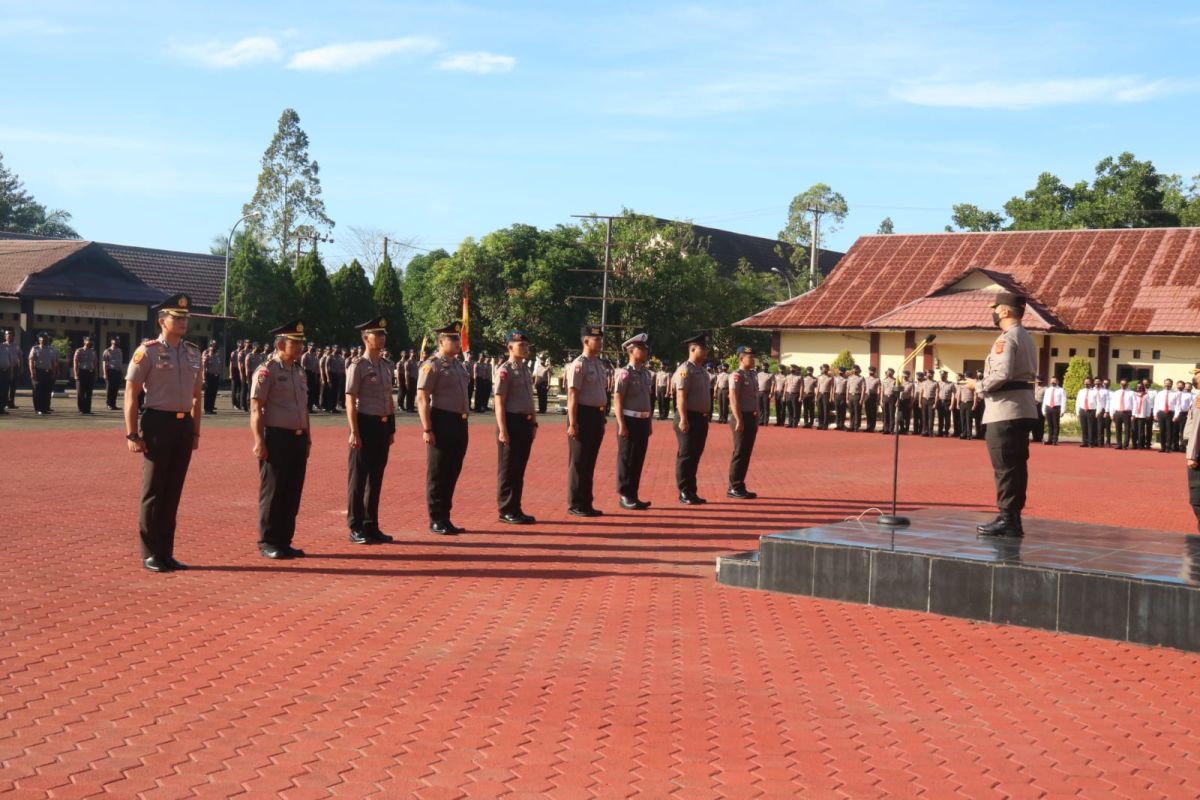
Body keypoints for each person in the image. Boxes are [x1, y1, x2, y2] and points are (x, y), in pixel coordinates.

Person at [124, 294, 203, 572]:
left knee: (173, 491)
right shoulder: (148, 351)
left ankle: (166, 552)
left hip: (183, 426)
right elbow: (131, 395)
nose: (182, 322)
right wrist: (132, 434)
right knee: (154, 490)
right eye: (177, 317)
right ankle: (150, 552)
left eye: (185, 318)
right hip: (157, 423)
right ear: (162, 321)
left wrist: (195, 431)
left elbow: (197, 396)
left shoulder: (193, 353)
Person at [967, 292, 1038, 538]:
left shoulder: (1006, 339)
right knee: (1016, 467)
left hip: (1005, 410)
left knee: (1005, 467)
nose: (993, 312)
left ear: (1005, 311)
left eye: (995, 308)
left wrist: (977, 386)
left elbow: (1000, 374)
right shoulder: (1026, 336)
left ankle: (1008, 518)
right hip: (1022, 408)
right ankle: (1012, 518)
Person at [250, 321, 311, 559]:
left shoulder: (299, 371)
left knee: (292, 491)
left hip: (297, 438)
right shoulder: (267, 371)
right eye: (294, 343)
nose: (299, 347)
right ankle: (268, 540)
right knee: (273, 491)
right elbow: (256, 408)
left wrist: (308, 438)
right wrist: (258, 441)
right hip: (276, 437)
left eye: (300, 343)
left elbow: (304, 409)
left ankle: (284, 540)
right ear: (280, 344)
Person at [344, 317, 397, 544]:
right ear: (366, 338)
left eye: (383, 334)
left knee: (376, 477)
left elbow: (389, 398)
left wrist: (391, 427)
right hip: (364, 424)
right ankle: (355, 525)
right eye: (378, 334)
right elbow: (350, 400)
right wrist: (354, 431)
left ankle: (371, 523)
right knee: (359, 478)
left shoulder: (386, 365)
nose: (382, 338)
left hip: (382, 426)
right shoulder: (357, 366)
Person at [418, 323, 472, 534]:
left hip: (460, 422)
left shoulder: (459, 365)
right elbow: (422, 397)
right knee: (438, 472)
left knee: (452, 470)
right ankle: (436, 518)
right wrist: (427, 428)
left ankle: (446, 516)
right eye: (453, 339)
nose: (458, 343)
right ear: (441, 342)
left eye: (458, 338)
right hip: (441, 421)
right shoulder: (432, 365)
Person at [495, 331, 539, 524]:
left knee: (519, 468)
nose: (525, 348)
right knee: (508, 468)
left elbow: (530, 398)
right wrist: (503, 429)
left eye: (526, 345)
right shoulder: (505, 370)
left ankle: (516, 507)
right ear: (510, 347)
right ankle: (506, 509)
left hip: (525, 423)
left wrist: (534, 422)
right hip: (511, 422)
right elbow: (499, 402)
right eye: (521, 345)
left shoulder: (525, 370)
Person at [566, 325, 608, 516]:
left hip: (596, 416)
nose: (600, 343)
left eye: (600, 339)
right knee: (579, 462)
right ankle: (576, 503)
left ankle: (587, 502)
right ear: (585, 341)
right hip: (582, 416)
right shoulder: (579, 365)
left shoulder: (598, 364)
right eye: (596, 339)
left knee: (590, 461)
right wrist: (573, 422)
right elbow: (573, 395)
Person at [614, 333, 654, 510]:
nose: (645, 352)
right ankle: (624, 494)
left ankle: (634, 494)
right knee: (627, 458)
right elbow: (618, 399)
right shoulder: (624, 373)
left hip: (643, 420)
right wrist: (621, 424)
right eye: (641, 349)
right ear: (631, 351)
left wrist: (650, 421)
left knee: (638, 459)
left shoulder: (646, 374)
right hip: (629, 420)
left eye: (645, 349)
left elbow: (647, 399)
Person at [675, 333, 712, 505]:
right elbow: (681, 396)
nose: (706, 352)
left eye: (706, 349)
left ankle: (691, 491)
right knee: (686, 455)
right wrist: (683, 418)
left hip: (701, 418)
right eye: (703, 349)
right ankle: (684, 491)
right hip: (688, 417)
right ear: (692, 349)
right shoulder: (685, 370)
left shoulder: (702, 371)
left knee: (695, 455)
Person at [727, 345, 760, 499]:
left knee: (746, 453)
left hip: (751, 417)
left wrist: (757, 416)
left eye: (753, 356)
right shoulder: (736, 375)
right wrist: (739, 419)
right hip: (741, 417)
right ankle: (734, 486)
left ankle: (740, 484)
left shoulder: (753, 375)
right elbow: (733, 398)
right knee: (740, 452)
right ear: (741, 359)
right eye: (750, 357)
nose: (753, 359)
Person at [1184, 367, 1200, 531]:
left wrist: (1192, 454)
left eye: (1197, 374)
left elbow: (1197, 428)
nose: (1195, 378)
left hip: (1198, 455)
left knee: (1197, 499)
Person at [28, 331, 58, 415]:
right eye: (42, 338)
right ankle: (38, 409)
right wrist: (32, 372)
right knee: (38, 391)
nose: (44, 339)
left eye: (46, 338)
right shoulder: (35, 348)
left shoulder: (51, 349)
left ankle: (45, 408)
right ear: (39, 339)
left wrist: (54, 372)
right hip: (38, 372)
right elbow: (31, 360)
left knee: (47, 391)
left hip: (48, 372)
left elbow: (53, 362)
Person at [73, 336, 98, 414]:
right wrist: (76, 374)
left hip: (90, 373)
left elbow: (95, 363)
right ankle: (81, 409)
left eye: (91, 341)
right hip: (81, 372)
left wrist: (95, 374)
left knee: (89, 392)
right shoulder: (79, 351)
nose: (90, 342)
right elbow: (75, 363)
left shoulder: (93, 351)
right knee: (81, 392)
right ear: (84, 342)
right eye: (88, 341)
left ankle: (87, 410)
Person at [1154, 378, 1178, 453]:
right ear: (1164, 384)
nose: (1167, 384)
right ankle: (1162, 447)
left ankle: (1168, 447)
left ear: (1171, 384)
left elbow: (1178, 406)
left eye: (1169, 383)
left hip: (1170, 413)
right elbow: (1156, 404)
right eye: (1166, 383)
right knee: (1162, 431)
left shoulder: (1175, 394)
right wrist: (1155, 414)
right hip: (1161, 413)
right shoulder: (1159, 393)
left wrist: (1176, 416)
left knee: (1169, 431)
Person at [1041, 377, 1065, 445]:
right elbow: (1045, 400)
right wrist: (1043, 410)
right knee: (1049, 425)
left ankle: (1055, 440)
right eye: (1052, 381)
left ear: (1057, 382)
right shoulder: (1048, 390)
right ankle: (1049, 440)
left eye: (1054, 381)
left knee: (1055, 425)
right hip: (1048, 408)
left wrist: (1062, 410)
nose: (1053, 382)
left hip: (1056, 408)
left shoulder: (1061, 390)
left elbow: (1063, 401)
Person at [200, 340, 220, 414]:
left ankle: (211, 408)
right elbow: (203, 367)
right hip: (209, 375)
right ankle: (207, 409)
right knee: (208, 393)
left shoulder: (217, 354)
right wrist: (204, 378)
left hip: (216, 376)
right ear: (210, 345)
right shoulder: (206, 354)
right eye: (213, 345)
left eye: (215, 345)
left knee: (213, 393)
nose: (214, 347)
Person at [3, 329, 22, 410]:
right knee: (5, 386)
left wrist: (21, 367)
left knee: (13, 387)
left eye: (11, 335)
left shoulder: (16, 346)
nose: (9, 336)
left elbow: (20, 356)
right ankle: (5, 403)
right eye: (7, 334)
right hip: (5, 369)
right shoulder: (2, 345)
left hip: (15, 368)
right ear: (5, 336)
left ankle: (11, 403)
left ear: (14, 336)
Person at [1132, 382, 1154, 449]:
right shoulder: (1133, 394)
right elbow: (1132, 405)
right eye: (1138, 386)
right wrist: (1132, 414)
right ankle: (1134, 444)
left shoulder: (1146, 395)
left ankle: (1141, 444)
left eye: (1141, 387)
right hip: (1134, 415)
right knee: (1134, 430)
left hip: (1142, 415)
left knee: (1141, 431)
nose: (1139, 388)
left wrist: (1148, 414)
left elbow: (1148, 406)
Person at [846, 365, 864, 432]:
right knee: (852, 412)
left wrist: (862, 399)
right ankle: (851, 426)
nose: (855, 371)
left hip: (857, 396)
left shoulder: (861, 378)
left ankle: (856, 426)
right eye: (854, 369)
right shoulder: (850, 378)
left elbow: (863, 389)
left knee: (857, 412)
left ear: (858, 370)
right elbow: (847, 388)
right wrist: (847, 398)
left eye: (856, 369)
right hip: (851, 395)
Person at [937, 370, 955, 437]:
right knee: (940, 418)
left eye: (944, 375)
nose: (942, 376)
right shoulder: (938, 383)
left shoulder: (951, 384)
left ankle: (946, 431)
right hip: (940, 402)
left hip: (947, 402)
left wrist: (952, 404)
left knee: (947, 418)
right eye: (941, 375)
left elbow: (953, 394)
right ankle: (940, 431)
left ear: (946, 376)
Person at [863, 366, 881, 433]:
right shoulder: (865, 379)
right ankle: (868, 426)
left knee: (873, 412)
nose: (871, 372)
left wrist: (878, 398)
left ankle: (872, 427)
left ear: (874, 372)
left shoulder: (877, 379)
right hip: (867, 395)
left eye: (872, 371)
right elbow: (864, 388)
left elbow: (879, 389)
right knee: (868, 412)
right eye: (870, 371)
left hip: (874, 396)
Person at [815, 364, 833, 429]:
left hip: (826, 394)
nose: (824, 370)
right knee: (820, 410)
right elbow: (818, 387)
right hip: (820, 394)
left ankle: (825, 425)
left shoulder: (830, 378)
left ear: (828, 369)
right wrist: (816, 397)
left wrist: (831, 397)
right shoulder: (819, 377)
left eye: (825, 369)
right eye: (823, 368)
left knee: (826, 410)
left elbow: (832, 388)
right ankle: (820, 424)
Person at [0, 329, 13, 415]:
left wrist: (11, 372)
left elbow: (10, 360)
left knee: (4, 391)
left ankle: (2, 408)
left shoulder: (6, 347)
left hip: (6, 372)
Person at [880, 368, 897, 434]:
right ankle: (885, 429)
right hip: (885, 397)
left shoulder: (895, 380)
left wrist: (897, 401)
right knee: (885, 414)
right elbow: (882, 390)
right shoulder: (884, 380)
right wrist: (881, 400)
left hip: (892, 398)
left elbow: (897, 392)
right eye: (888, 372)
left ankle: (891, 429)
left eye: (890, 372)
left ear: (893, 373)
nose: (889, 373)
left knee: (891, 414)